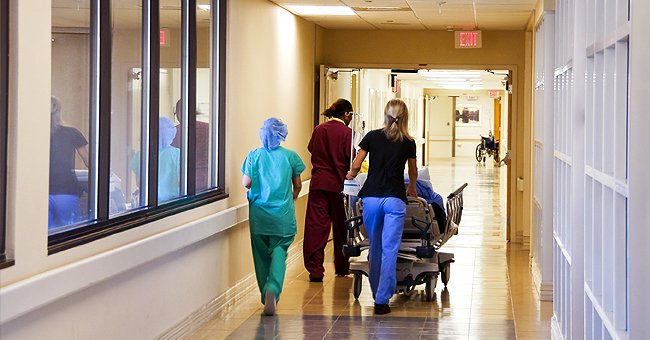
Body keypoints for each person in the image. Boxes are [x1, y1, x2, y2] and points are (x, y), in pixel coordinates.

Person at [346, 99, 418, 315]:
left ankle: (376, 290)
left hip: (371, 198)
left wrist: (351, 175)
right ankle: (382, 301)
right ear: (405, 116)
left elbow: (357, 164)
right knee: (390, 249)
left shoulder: (372, 136)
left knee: (374, 246)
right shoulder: (408, 142)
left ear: (385, 114)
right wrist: (412, 187)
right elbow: (412, 171)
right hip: (394, 199)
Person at [241, 118, 305, 316]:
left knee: (261, 257)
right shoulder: (290, 157)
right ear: (281, 135)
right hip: (282, 217)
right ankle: (273, 289)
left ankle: (264, 293)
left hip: (259, 216)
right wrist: (294, 193)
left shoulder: (254, 156)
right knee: (279, 252)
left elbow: (246, 182)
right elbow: (298, 184)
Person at [303, 98, 354, 282]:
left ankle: (315, 270)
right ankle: (342, 267)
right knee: (341, 227)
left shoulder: (319, 130)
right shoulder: (347, 133)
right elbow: (352, 159)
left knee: (316, 227)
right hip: (339, 186)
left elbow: (312, 149)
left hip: (318, 185)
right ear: (346, 114)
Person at [49, 96, 90, 230]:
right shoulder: (72, 133)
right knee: (68, 233)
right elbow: (88, 160)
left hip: (39, 191)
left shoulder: (33, 134)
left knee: (42, 236)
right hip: (65, 190)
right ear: (59, 111)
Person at [129, 117, 181, 202]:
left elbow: (139, 183)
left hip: (148, 202)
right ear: (171, 133)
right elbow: (180, 181)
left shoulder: (141, 155)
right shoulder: (177, 154)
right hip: (172, 203)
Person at [171, 100, 210, 192]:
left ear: (179, 113)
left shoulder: (173, 133)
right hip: (209, 179)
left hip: (184, 180)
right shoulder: (209, 128)